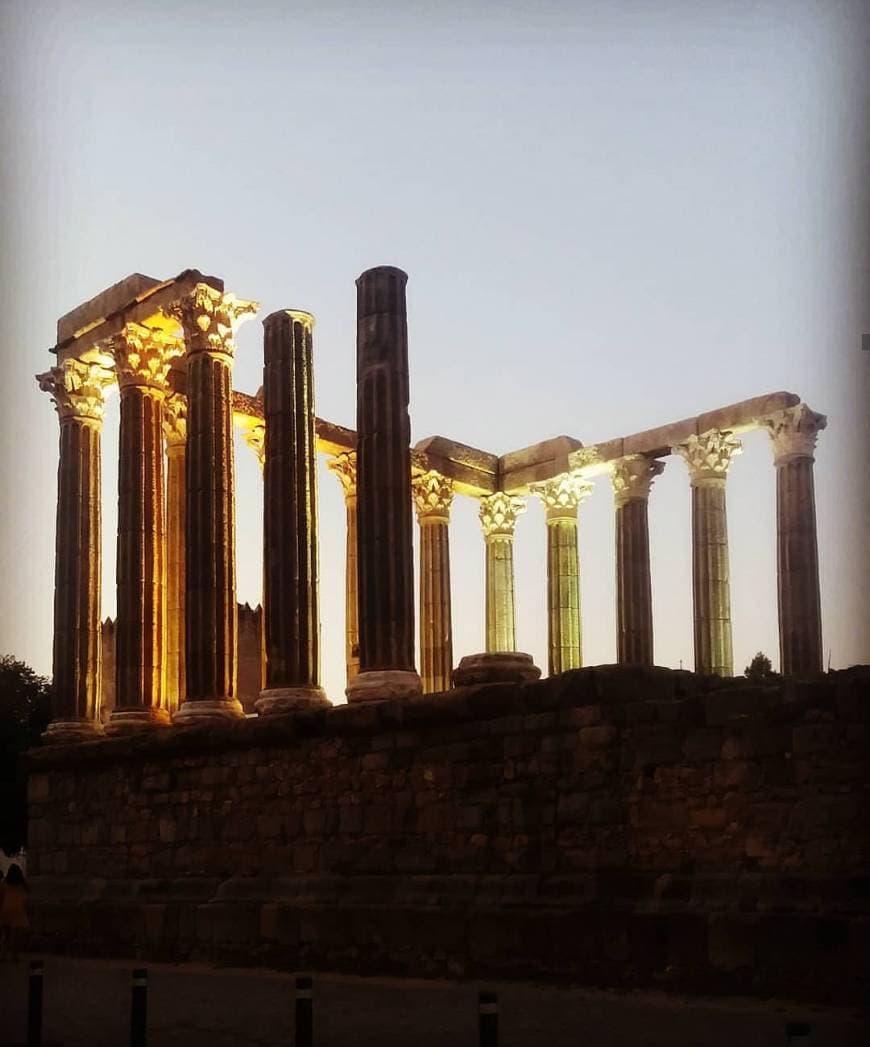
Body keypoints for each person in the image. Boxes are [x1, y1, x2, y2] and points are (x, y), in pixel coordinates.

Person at [0, 863, 29, 962]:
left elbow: (1, 896)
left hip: (6, 909)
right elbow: (28, 893)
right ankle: (14, 955)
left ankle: (3, 955)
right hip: (18, 909)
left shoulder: (4, 883)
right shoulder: (21, 884)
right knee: (15, 935)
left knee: (6, 934)